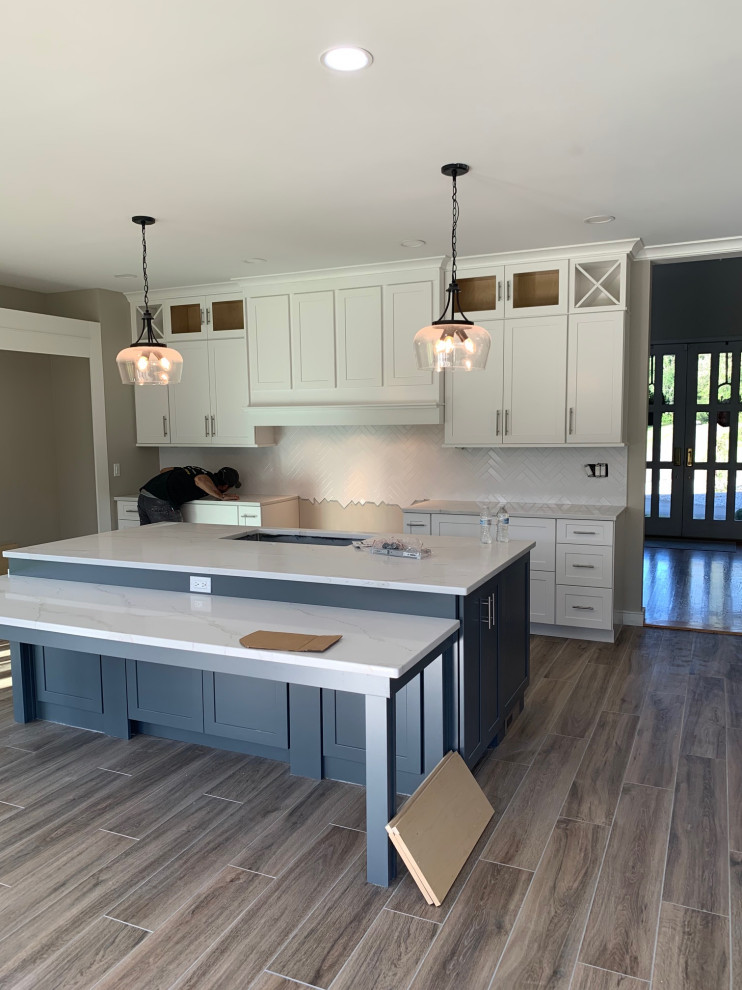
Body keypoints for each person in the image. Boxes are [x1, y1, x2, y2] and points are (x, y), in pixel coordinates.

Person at [137, 465, 241, 525]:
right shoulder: (209, 479)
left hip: (144, 496)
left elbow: (164, 470)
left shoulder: (199, 470)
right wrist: (221, 496)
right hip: (159, 500)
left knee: (149, 537)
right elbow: (199, 480)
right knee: (173, 539)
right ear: (225, 486)